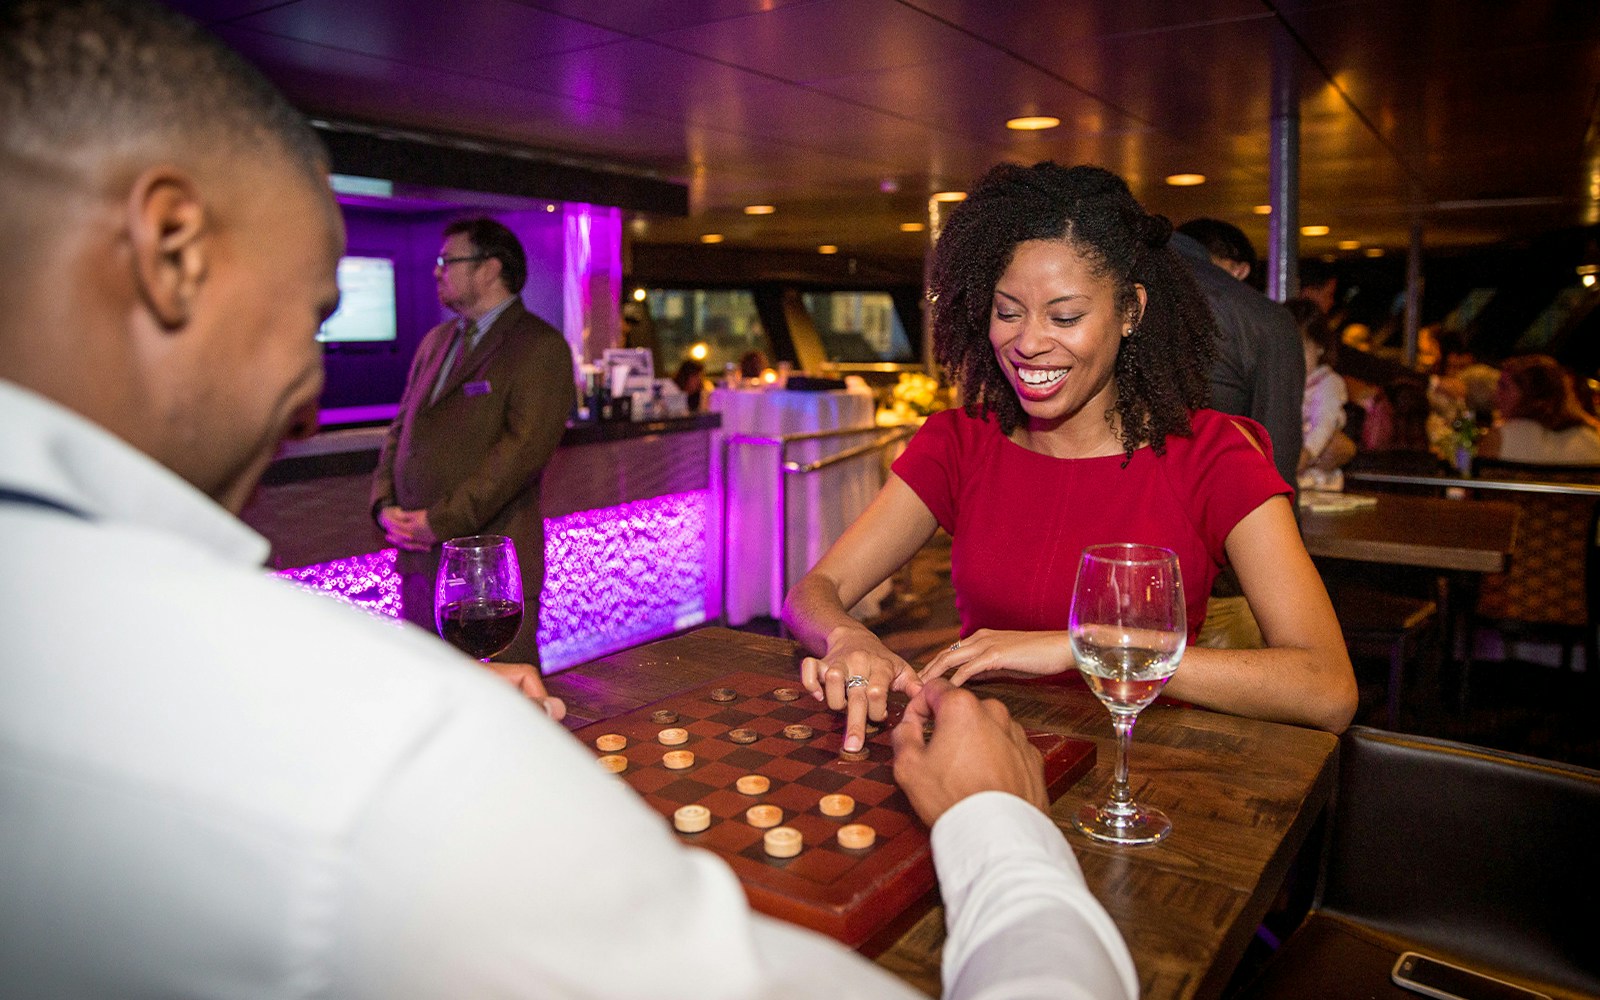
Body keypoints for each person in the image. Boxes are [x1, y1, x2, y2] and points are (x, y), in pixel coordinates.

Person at [0, 4, 1138, 997]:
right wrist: (1004, 826)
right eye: (307, 315)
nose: (303, 398)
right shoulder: (377, 750)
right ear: (169, 251)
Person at [784, 163, 1356, 751]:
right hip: (982, 759)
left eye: (1065, 317)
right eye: (1008, 312)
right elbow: (814, 590)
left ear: (1130, 311)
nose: (1029, 343)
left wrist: (1088, 648)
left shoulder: (1212, 455)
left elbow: (1327, 689)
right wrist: (845, 636)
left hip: (1140, 774)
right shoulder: (959, 443)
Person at [371, 216, 575, 665]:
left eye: (448, 260)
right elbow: (401, 429)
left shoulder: (539, 347)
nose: (436, 270)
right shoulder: (436, 341)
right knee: (433, 692)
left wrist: (439, 521)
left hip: (489, 564)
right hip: (420, 559)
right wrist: (385, 505)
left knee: (501, 698)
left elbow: (520, 456)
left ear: (489, 269)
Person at [1171, 218, 1303, 651]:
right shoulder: (1263, 318)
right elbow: (1275, 466)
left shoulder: (1109, 296)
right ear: (1238, 267)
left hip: (1113, 569)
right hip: (1222, 579)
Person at [1478, 354, 1600, 465]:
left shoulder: (1500, 439)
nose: (1496, 394)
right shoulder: (1591, 441)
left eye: (1504, 387)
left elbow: (1476, 486)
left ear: (1529, 394)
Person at [1287, 298, 1355, 491]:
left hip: (1318, 479)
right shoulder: (1283, 382)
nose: (1294, 359)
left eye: (1302, 349)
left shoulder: (1328, 382)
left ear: (1319, 346)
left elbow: (1324, 422)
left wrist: (1306, 454)